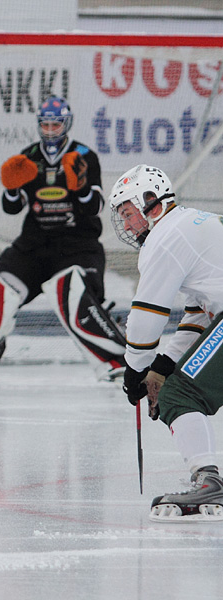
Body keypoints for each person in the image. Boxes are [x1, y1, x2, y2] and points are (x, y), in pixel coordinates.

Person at [0, 96, 125, 385]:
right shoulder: (28, 157)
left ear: (67, 123)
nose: (50, 130)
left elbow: (96, 207)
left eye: (56, 124)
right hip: (34, 246)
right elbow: (12, 207)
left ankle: (115, 359)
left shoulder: (84, 156)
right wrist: (11, 189)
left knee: (71, 290)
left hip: (77, 246)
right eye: (45, 124)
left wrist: (82, 188)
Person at [110, 164, 223, 522]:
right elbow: (199, 313)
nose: (126, 225)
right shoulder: (194, 223)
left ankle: (209, 480)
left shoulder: (164, 239)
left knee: (178, 394)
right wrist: (163, 364)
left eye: (128, 213)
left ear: (151, 204)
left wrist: (136, 368)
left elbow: (146, 317)